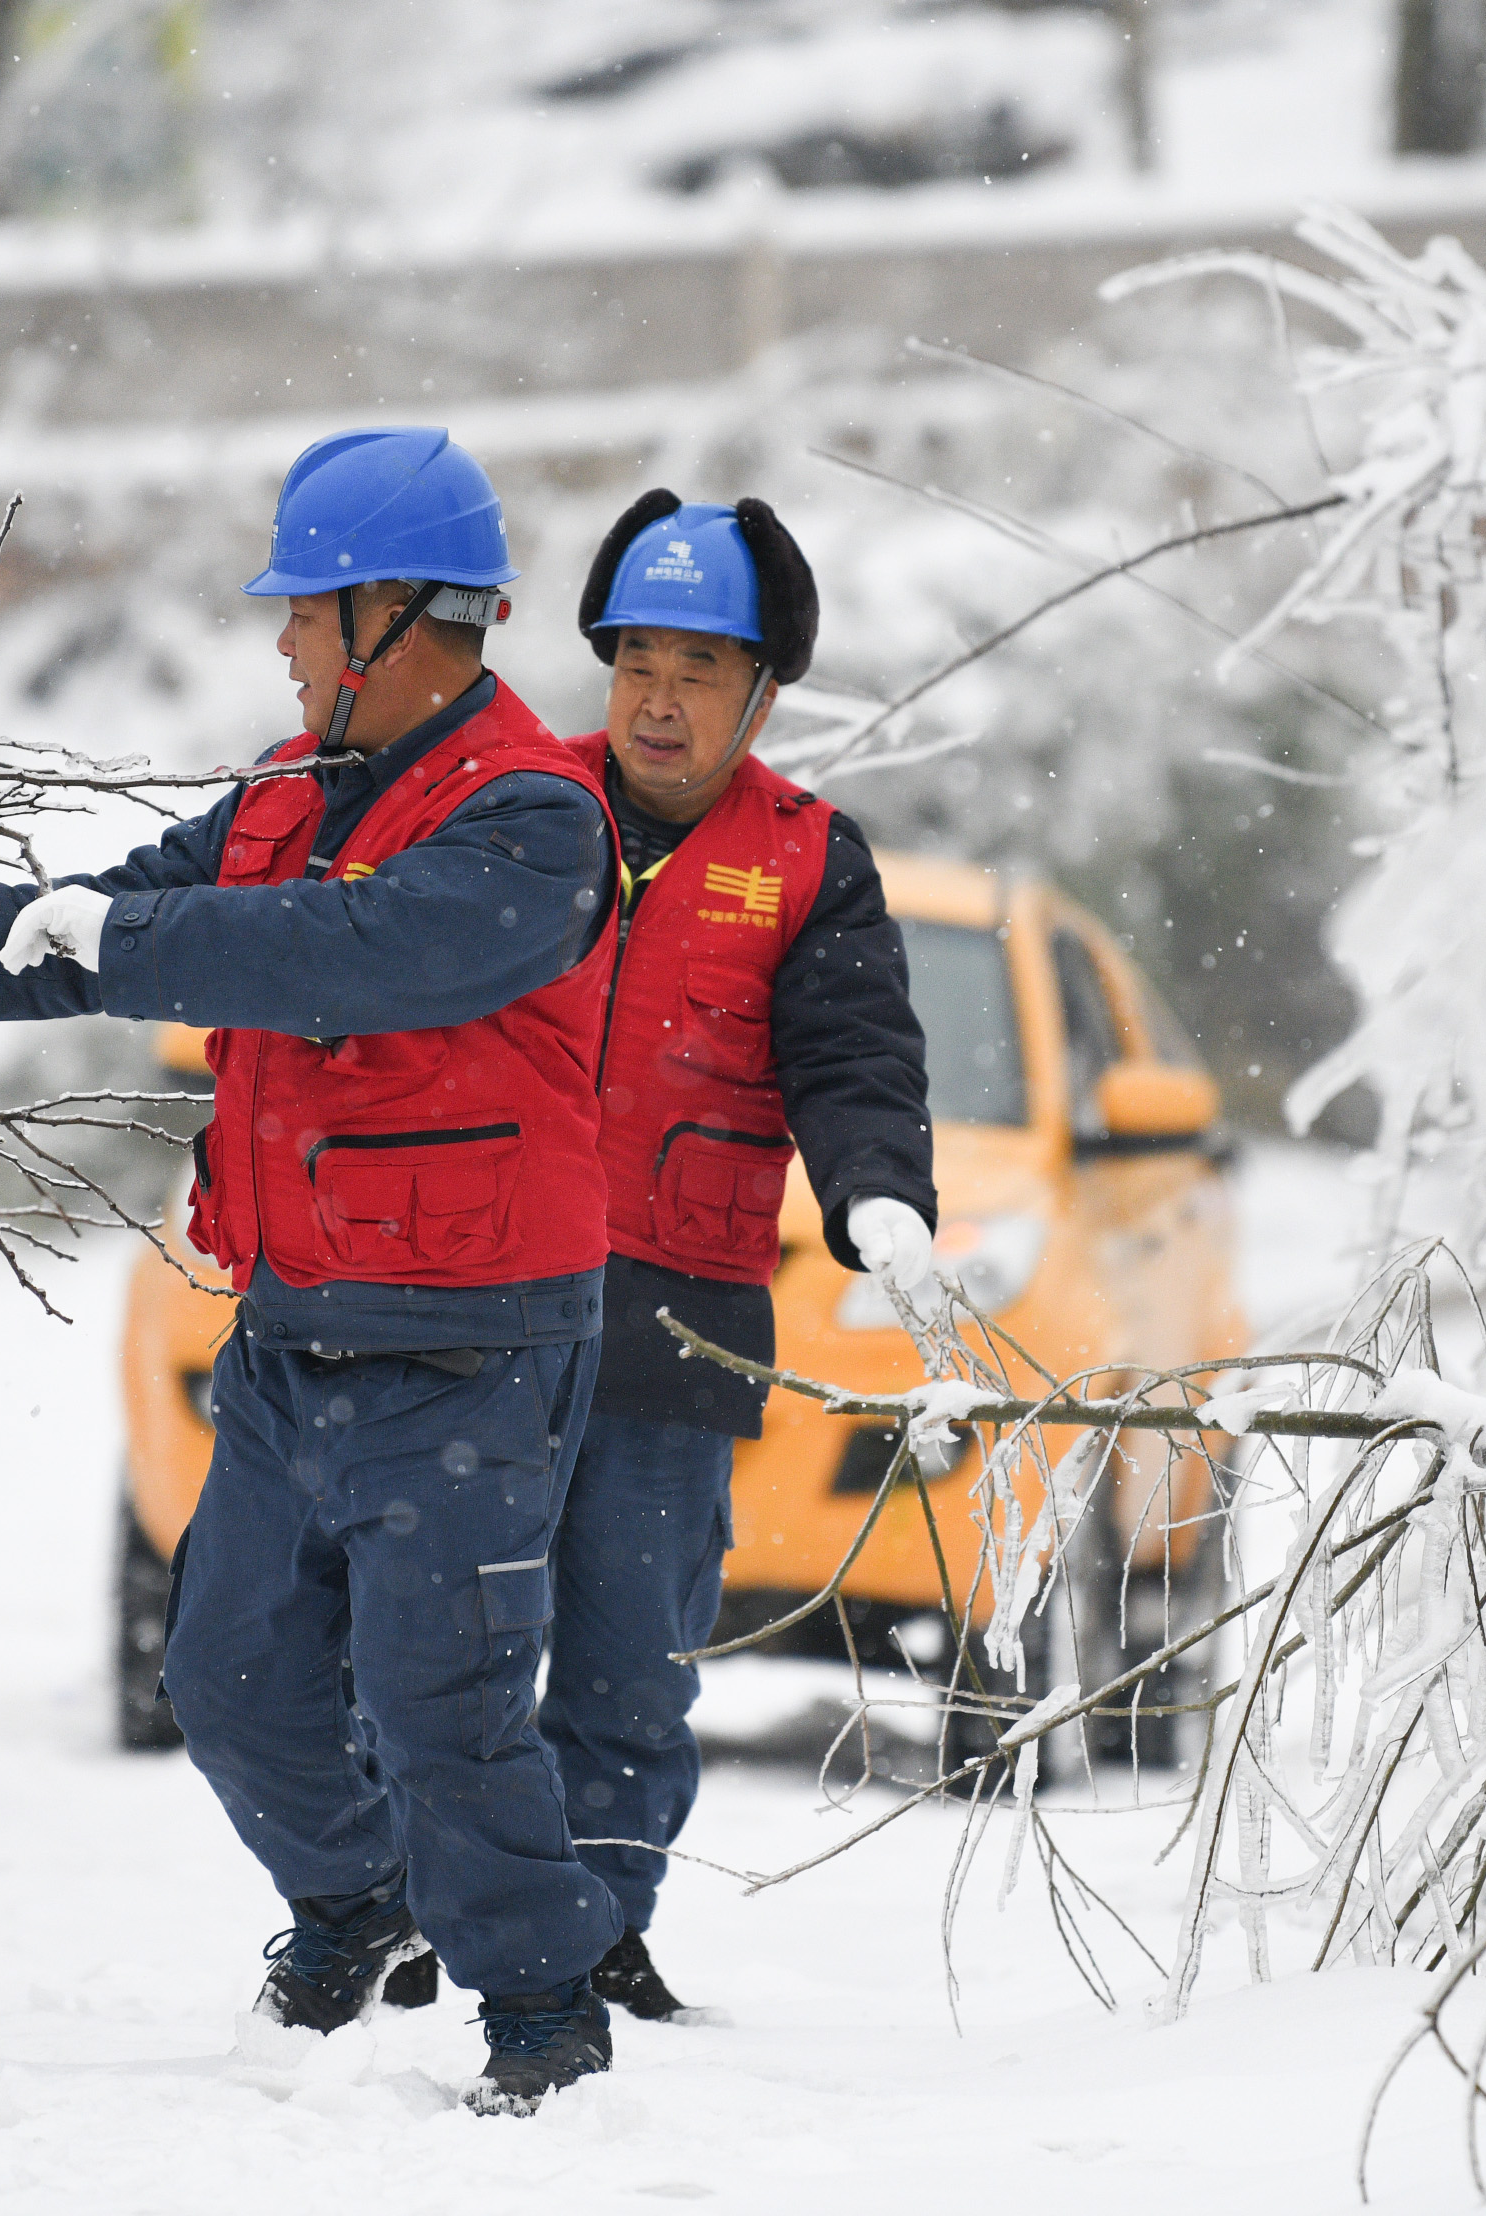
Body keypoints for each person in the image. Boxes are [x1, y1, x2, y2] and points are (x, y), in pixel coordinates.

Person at [0, 427, 627, 2115]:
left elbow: (358, 954)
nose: (286, 641)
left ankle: (543, 2014)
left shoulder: (538, 823)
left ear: (395, 612)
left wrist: (124, 940)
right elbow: (112, 907)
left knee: (438, 1699)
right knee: (227, 1673)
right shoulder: (281, 796)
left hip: (470, 1342)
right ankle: (357, 1901)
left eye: (307, 609)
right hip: (296, 1325)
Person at [500, 490, 942, 2019]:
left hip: (674, 1320)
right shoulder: (506, 806)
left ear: (762, 693)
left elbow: (856, 1061)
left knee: (631, 1657)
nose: (661, 701)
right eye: (637, 664)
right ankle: (448, 1922)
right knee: (445, 1638)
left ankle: (598, 1925)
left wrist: (879, 1195)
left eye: (699, 669)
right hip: (488, 1297)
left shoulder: (812, 861)